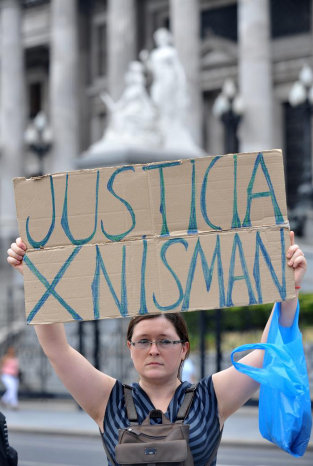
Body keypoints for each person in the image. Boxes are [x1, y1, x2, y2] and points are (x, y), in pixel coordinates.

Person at [7, 232, 306, 465]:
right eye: (143, 341)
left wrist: (287, 288)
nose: (153, 350)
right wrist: (37, 281)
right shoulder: (106, 400)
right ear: (130, 347)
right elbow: (57, 350)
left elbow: (268, 350)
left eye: (165, 340)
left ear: (184, 348)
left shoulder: (211, 398)